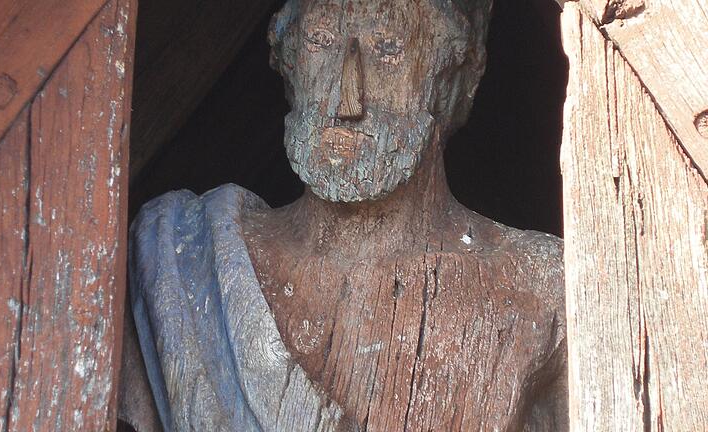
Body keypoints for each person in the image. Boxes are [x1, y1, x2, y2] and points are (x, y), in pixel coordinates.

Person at [120, 1, 567, 430]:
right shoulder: (180, 258)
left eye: (388, 48)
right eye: (321, 40)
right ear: (288, 58)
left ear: (455, 78)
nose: (346, 97)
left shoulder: (542, 290)